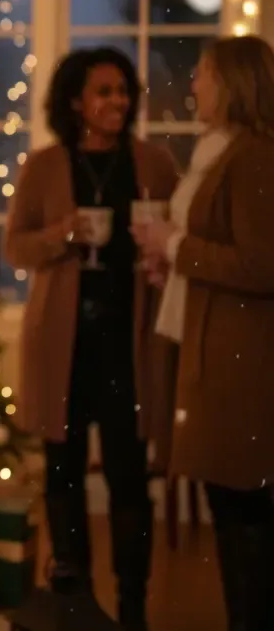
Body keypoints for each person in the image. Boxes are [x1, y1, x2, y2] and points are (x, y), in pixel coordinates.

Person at [4, 48, 178, 630]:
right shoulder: (47, 165)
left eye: (123, 91)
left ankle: (132, 604)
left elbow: (178, 239)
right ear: (76, 101)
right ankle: (72, 592)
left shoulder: (154, 163)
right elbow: (15, 248)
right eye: (104, 92)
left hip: (130, 344)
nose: (117, 102)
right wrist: (61, 234)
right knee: (64, 470)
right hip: (64, 344)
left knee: (130, 474)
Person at [132, 35, 274, 631]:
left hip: (240, 364)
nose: (194, 86)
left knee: (244, 515)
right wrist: (173, 261)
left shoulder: (255, 156)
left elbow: (262, 264)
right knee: (232, 512)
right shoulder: (223, 150)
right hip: (212, 348)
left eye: (205, 75)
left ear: (234, 84)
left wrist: (178, 246)